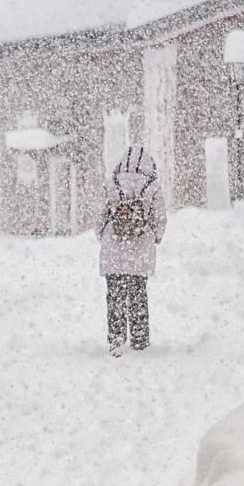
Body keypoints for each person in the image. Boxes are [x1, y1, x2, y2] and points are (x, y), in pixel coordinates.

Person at [95, 146, 168, 357]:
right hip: (140, 255)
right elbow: (160, 220)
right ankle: (139, 340)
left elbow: (99, 219)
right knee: (138, 296)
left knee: (115, 297)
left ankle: (116, 339)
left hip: (113, 255)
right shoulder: (152, 186)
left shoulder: (111, 184)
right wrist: (153, 237)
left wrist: (106, 237)